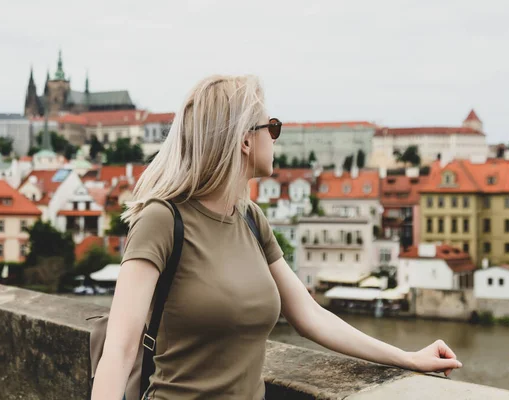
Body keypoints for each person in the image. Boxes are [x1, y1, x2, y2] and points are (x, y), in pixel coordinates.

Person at [90, 75, 462, 400]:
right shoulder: (162, 219)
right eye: (272, 126)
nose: (276, 137)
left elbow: (310, 316)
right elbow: (120, 350)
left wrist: (408, 357)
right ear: (245, 141)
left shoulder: (251, 219)